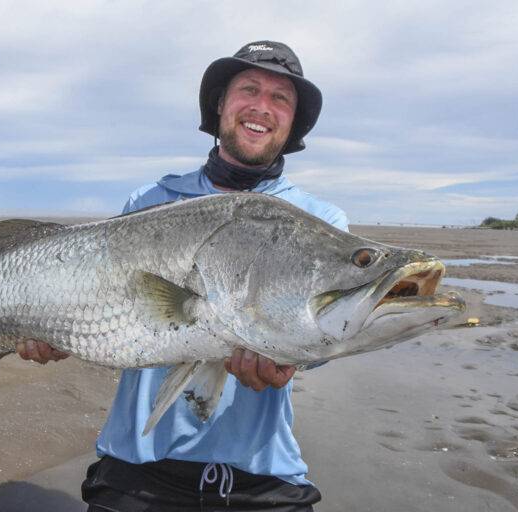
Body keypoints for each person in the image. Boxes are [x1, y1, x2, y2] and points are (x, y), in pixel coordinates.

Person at [17, 41, 349, 511]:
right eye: (248, 89)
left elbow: (328, 329)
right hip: (137, 466)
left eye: (281, 98)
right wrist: (52, 329)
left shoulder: (320, 218)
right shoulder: (150, 200)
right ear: (219, 105)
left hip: (263, 476)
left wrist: (294, 360)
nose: (261, 107)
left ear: (294, 122)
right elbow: (100, 302)